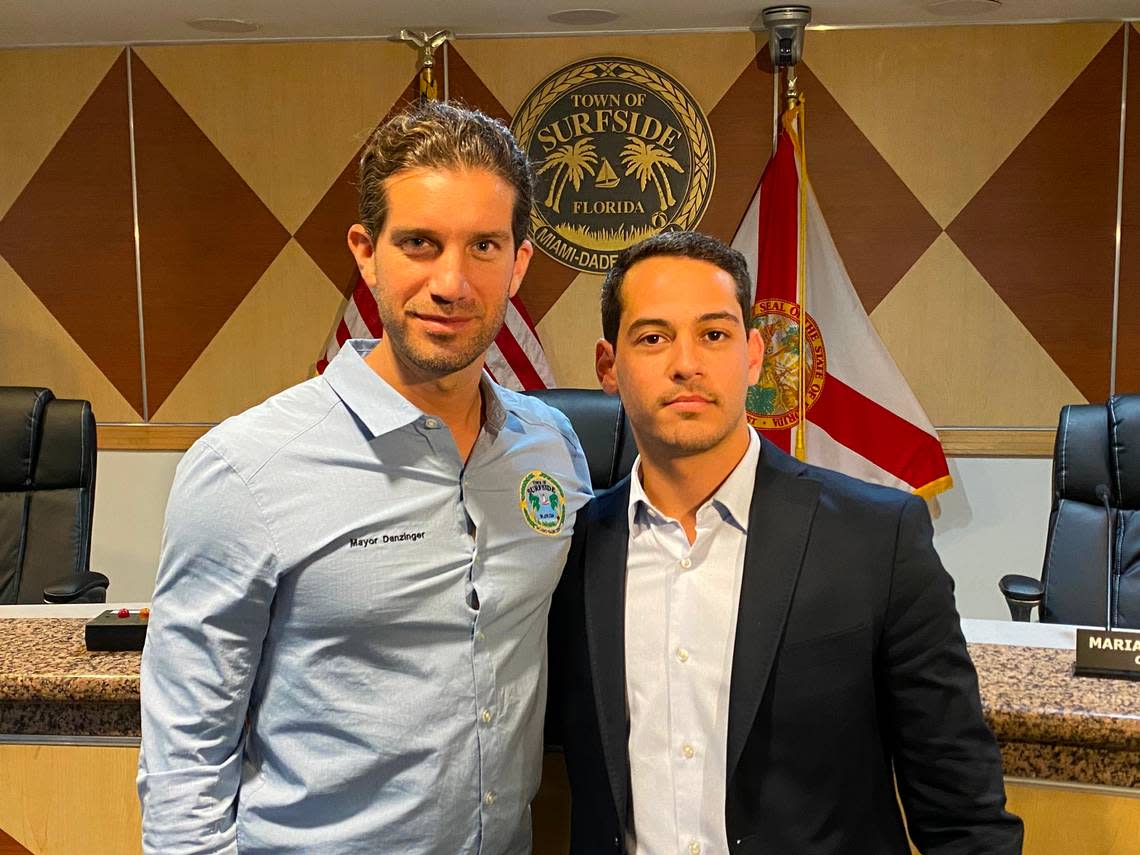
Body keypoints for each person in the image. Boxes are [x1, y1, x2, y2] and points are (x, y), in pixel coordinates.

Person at [138, 101, 592, 855]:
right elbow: (185, 755)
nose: (451, 282)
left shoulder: (551, 447)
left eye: (483, 245)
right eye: (419, 242)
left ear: (519, 262)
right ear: (366, 252)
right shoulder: (244, 468)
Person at [547, 231, 1023, 855]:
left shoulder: (878, 539)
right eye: (654, 337)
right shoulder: (569, 551)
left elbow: (962, 812)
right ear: (609, 366)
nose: (686, 362)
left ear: (752, 355)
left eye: (713, 334)